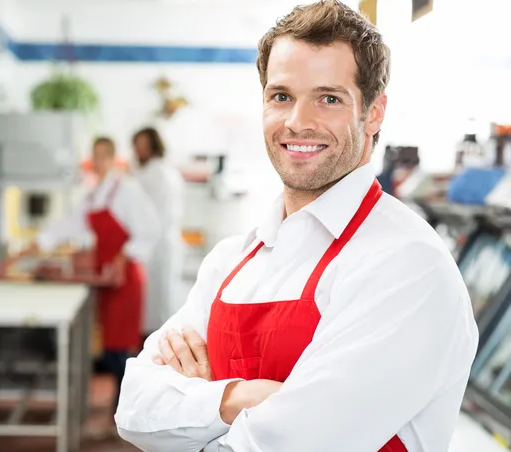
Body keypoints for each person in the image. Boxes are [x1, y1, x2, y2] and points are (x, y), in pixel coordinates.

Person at [115, 2, 479, 451]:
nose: (297, 122)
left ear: (375, 112)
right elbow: (133, 408)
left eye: (329, 98)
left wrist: (193, 411)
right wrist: (237, 398)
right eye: (281, 96)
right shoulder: (231, 261)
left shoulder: (406, 265)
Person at [36, 136, 160, 435]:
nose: (99, 161)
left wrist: (124, 255)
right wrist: (39, 243)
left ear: (113, 158)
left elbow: (150, 228)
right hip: (106, 283)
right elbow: (70, 223)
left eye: (104, 155)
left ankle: (137, 414)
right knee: (111, 350)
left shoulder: (126, 189)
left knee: (118, 352)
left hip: (126, 280)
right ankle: (123, 418)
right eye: (95, 156)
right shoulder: (94, 196)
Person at [132, 127, 185, 340]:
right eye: (137, 145)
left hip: (156, 246)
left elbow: (141, 214)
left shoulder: (152, 174)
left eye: (143, 145)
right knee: (162, 303)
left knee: (155, 304)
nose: (139, 150)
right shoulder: (166, 170)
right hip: (165, 244)